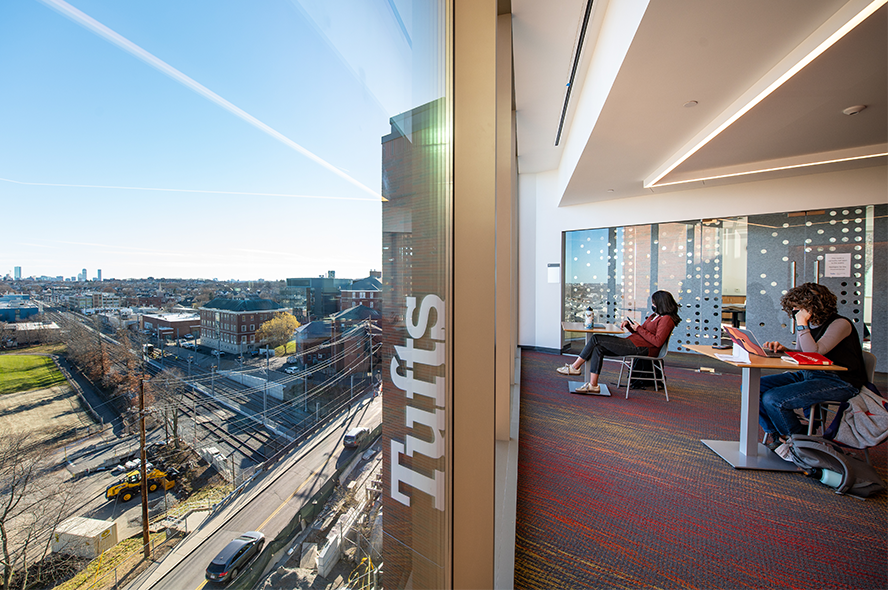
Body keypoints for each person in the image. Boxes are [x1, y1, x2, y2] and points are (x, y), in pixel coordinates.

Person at [759, 283, 867, 447]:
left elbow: (814, 353)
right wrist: (785, 350)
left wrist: (802, 324)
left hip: (840, 381)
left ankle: (797, 439)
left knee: (773, 398)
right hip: (810, 374)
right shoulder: (810, 325)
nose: (795, 312)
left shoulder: (841, 324)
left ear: (813, 306)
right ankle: (778, 434)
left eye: (798, 308)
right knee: (753, 387)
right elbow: (804, 353)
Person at [557, 290, 680, 394]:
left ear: (661, 303)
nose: (652, 305)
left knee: (596, 339)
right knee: (597, 347)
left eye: (654, 303)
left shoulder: (667, 320)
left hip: (643, 348)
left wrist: (639, 329)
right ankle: (593, 385)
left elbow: (657, 342)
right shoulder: (654, 316)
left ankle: (575, 367)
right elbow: (641, 333)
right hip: (634, 343)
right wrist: (630, 327)